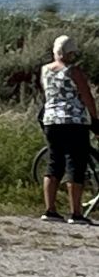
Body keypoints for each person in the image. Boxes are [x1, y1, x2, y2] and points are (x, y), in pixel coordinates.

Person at [40, 34, 99, 224]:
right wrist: (95, 119)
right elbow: (86, 95)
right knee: (75, 165)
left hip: (51, 121)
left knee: (54, 163)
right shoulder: (74, 71)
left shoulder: (44, 70)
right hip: (73, 122)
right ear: (70, 52)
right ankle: (76, 213)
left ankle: (50, 210)